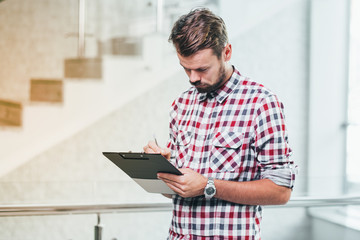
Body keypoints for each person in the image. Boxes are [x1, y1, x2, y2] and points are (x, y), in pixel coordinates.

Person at [143, 8, 296, 240]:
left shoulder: (262, 104)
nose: (193, 78)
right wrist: (162, 170)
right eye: (186, 68)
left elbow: (280, 191)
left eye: (202, 69)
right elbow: (178, 192)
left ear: (226, 52)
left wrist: (208, 185)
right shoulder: (181, 104)